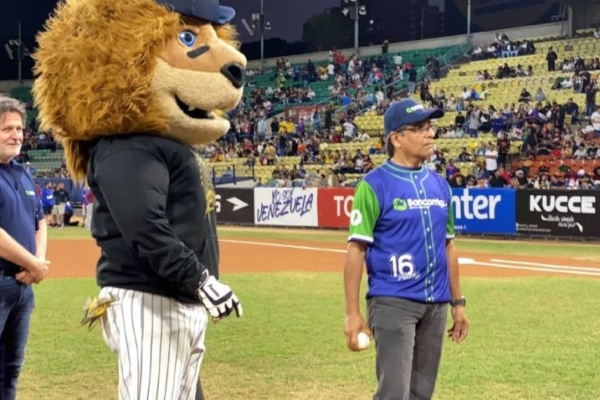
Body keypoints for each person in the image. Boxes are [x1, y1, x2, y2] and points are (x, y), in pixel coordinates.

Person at [343, 98, 469, 400]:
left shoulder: (440, 185)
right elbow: (356, 250)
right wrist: (352, 313)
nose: (429, 134)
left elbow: (448, 246)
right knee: (393, 393)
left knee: (421, 393)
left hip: (436, 304)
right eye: (419, 128)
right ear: (396, 138)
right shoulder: (373, 185)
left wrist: (458, 303)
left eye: (430, 127)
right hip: (392, 301)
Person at [0, 96, 50, 400]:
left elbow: (39, 221)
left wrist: (38, 261)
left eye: (19, 128)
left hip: (21, 290)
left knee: (11, 369)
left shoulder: (22, 172)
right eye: (7, 128)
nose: (16, 134)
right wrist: (32, 262)